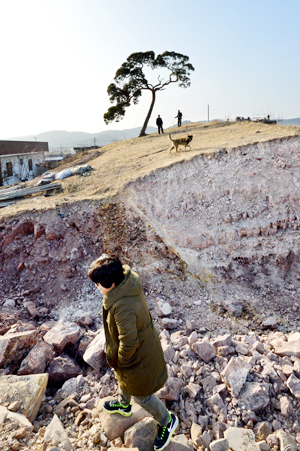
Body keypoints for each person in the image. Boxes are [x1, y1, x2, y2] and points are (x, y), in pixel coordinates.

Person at [88, 254, 178, 451]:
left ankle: (166, 420)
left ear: (111, 283)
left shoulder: (123, 306)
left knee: (142, 395)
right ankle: (124, 404)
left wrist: (120, 360)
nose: (96, 287)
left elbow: (129, 343)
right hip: (140, 349)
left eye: (98, 284)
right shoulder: (125, 285)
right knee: (124, 377)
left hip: (139, 357)